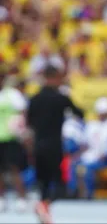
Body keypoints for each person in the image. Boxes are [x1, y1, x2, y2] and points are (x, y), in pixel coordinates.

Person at [26, 65, 84, 224]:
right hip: (54, 145)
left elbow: (29, 122)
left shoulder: (35, 98)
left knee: (43, 182)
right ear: (54, 78)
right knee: (60, 184)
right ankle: (44, 205)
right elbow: (80, 113)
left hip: (38, 145)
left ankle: (44, 209)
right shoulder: (61, 98)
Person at [67, 97, 107, 199]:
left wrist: (106, 154)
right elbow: (85, 143)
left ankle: (89, 195)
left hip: (105, 159)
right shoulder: (92, 125)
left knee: (87, 168)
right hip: (90, 155)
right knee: (73, 163)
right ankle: (73, 192)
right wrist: (79, 151)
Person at [0, 71, 28, 212]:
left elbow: (23, 112)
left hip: (11, 138)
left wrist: (20, 130)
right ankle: (1, 199)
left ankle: (21, 199)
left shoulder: (13, 95)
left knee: (14, 169)